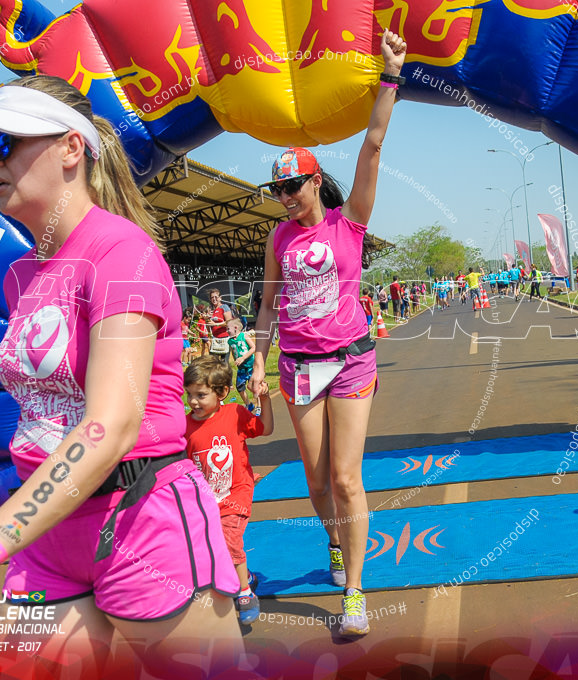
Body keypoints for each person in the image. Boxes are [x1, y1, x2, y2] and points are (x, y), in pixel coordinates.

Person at [0, 76, 242, 670]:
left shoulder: (123, 255)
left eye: (4, 144)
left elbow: (110, 427)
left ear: (72, 148)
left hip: (137, 517)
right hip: (49, 535)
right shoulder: (21, 272)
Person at [249, 29, 406, 638]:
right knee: (315, 481)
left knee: (345, 478)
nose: (285, 198)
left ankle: (356, 596)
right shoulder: (277, 239)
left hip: (351, 362)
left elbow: (370, 148)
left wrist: (389, 76)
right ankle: (336, 545)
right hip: (297, 367)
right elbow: (266, 308)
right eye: (277, 189)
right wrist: (257, 365)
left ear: (316, 182)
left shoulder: (350, 224)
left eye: (293, 186)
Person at [183, 356, 273, 626]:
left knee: (229, 538)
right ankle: (243, 576)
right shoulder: (184, 426)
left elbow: (265, 429)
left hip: (236, 492)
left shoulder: (234, 414)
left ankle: (245, 593)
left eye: (201, 394)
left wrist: (265, 401)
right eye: (189, 395)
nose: (194, 402)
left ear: (222, 392)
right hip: (204, 499)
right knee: (208, 546)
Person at [226, 318, 257, 411]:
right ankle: (248, 404)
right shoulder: (230, 341)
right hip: (241, 368)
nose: (227, 331)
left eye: (228, 329)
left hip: (250, 365)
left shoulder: (244, 336)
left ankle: (259, 404)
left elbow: (253, 347)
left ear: (235, 328)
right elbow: (233, 352)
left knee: (254, 386)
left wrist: (243, 358)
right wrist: (236, 360)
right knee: (240, 387)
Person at [206, 288, 234, 364]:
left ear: (220, 298)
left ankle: (227, 376)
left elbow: (229, 322)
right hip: (215, 339)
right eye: (212, 297)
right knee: (213, 363)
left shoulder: (224, 307)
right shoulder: (212, 310)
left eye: (216, 297)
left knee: (224, 363)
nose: (214, 299)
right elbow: (209, 326)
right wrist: (207, 319)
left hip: (225, 339)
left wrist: (215, 324)